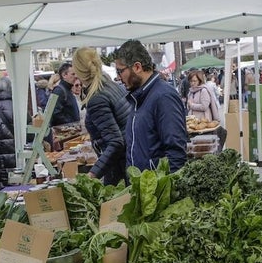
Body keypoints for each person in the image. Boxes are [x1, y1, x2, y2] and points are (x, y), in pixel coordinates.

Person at [113, 39, 188, 172]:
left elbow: (176, 153)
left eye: (120, 71)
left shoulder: (164, 97)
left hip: (155, 189)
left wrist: (166, 190)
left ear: (137, 67)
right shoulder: (139, 97)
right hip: (143, 188)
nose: (118, 77)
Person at [72, 47, 132, 186]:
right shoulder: (110, 85)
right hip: (128, 160)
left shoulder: (97, 98)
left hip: (119, 167)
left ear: (78, 72)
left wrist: (92, 174)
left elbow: (116, 142)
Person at [49, 63, 80, 128]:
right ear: (64, 75)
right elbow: (56, 113)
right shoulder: (59, 91)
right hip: (65, 133)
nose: (76, 76)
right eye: (73, 74)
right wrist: (71, 125)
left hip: (71, 131)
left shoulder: (67, 90)